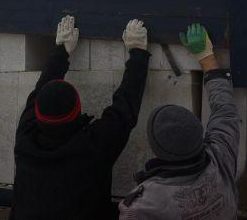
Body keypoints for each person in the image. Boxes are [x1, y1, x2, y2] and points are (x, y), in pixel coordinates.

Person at [10, 16, 150, 220]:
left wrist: (61, 51)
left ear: (38, 115)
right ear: (77, 111)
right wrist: (138, 52)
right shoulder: (91, 147)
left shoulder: (26, 139)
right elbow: (124, 110)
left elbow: (38, 96)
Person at [118, 23, 240, 220]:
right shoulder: (220, 159)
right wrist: (206, 57)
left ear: (156, 149)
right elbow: (225, 112)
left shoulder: (141, 206)